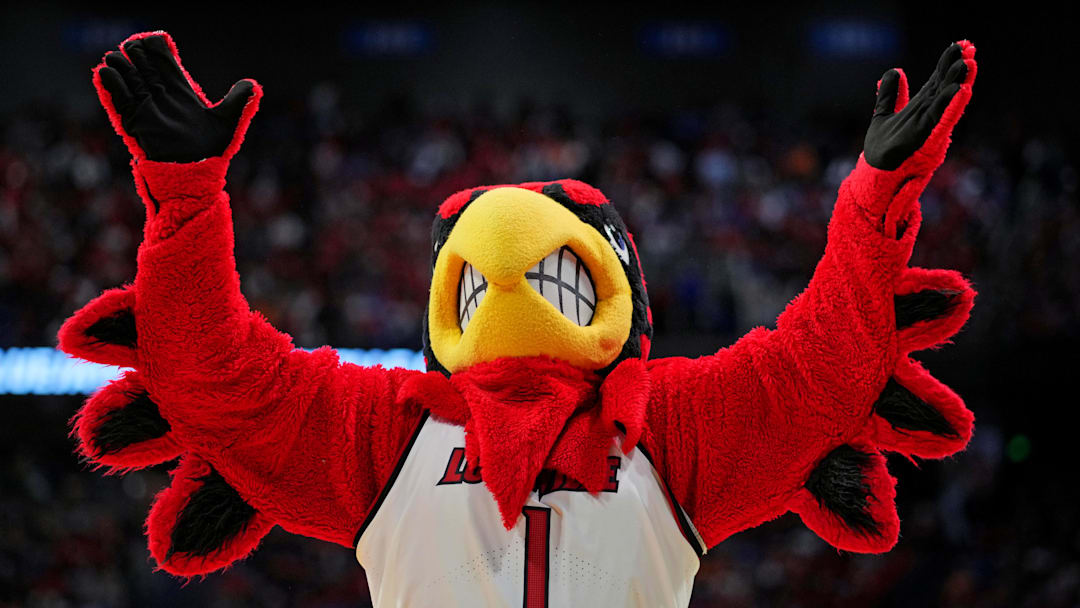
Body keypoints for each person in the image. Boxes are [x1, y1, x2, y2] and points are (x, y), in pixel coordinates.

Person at [59, 32, 979, 606]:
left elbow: (818, 373)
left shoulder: (672, 425)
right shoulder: (386, 431)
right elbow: (221, 383)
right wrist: (182, 201)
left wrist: (874, 200)